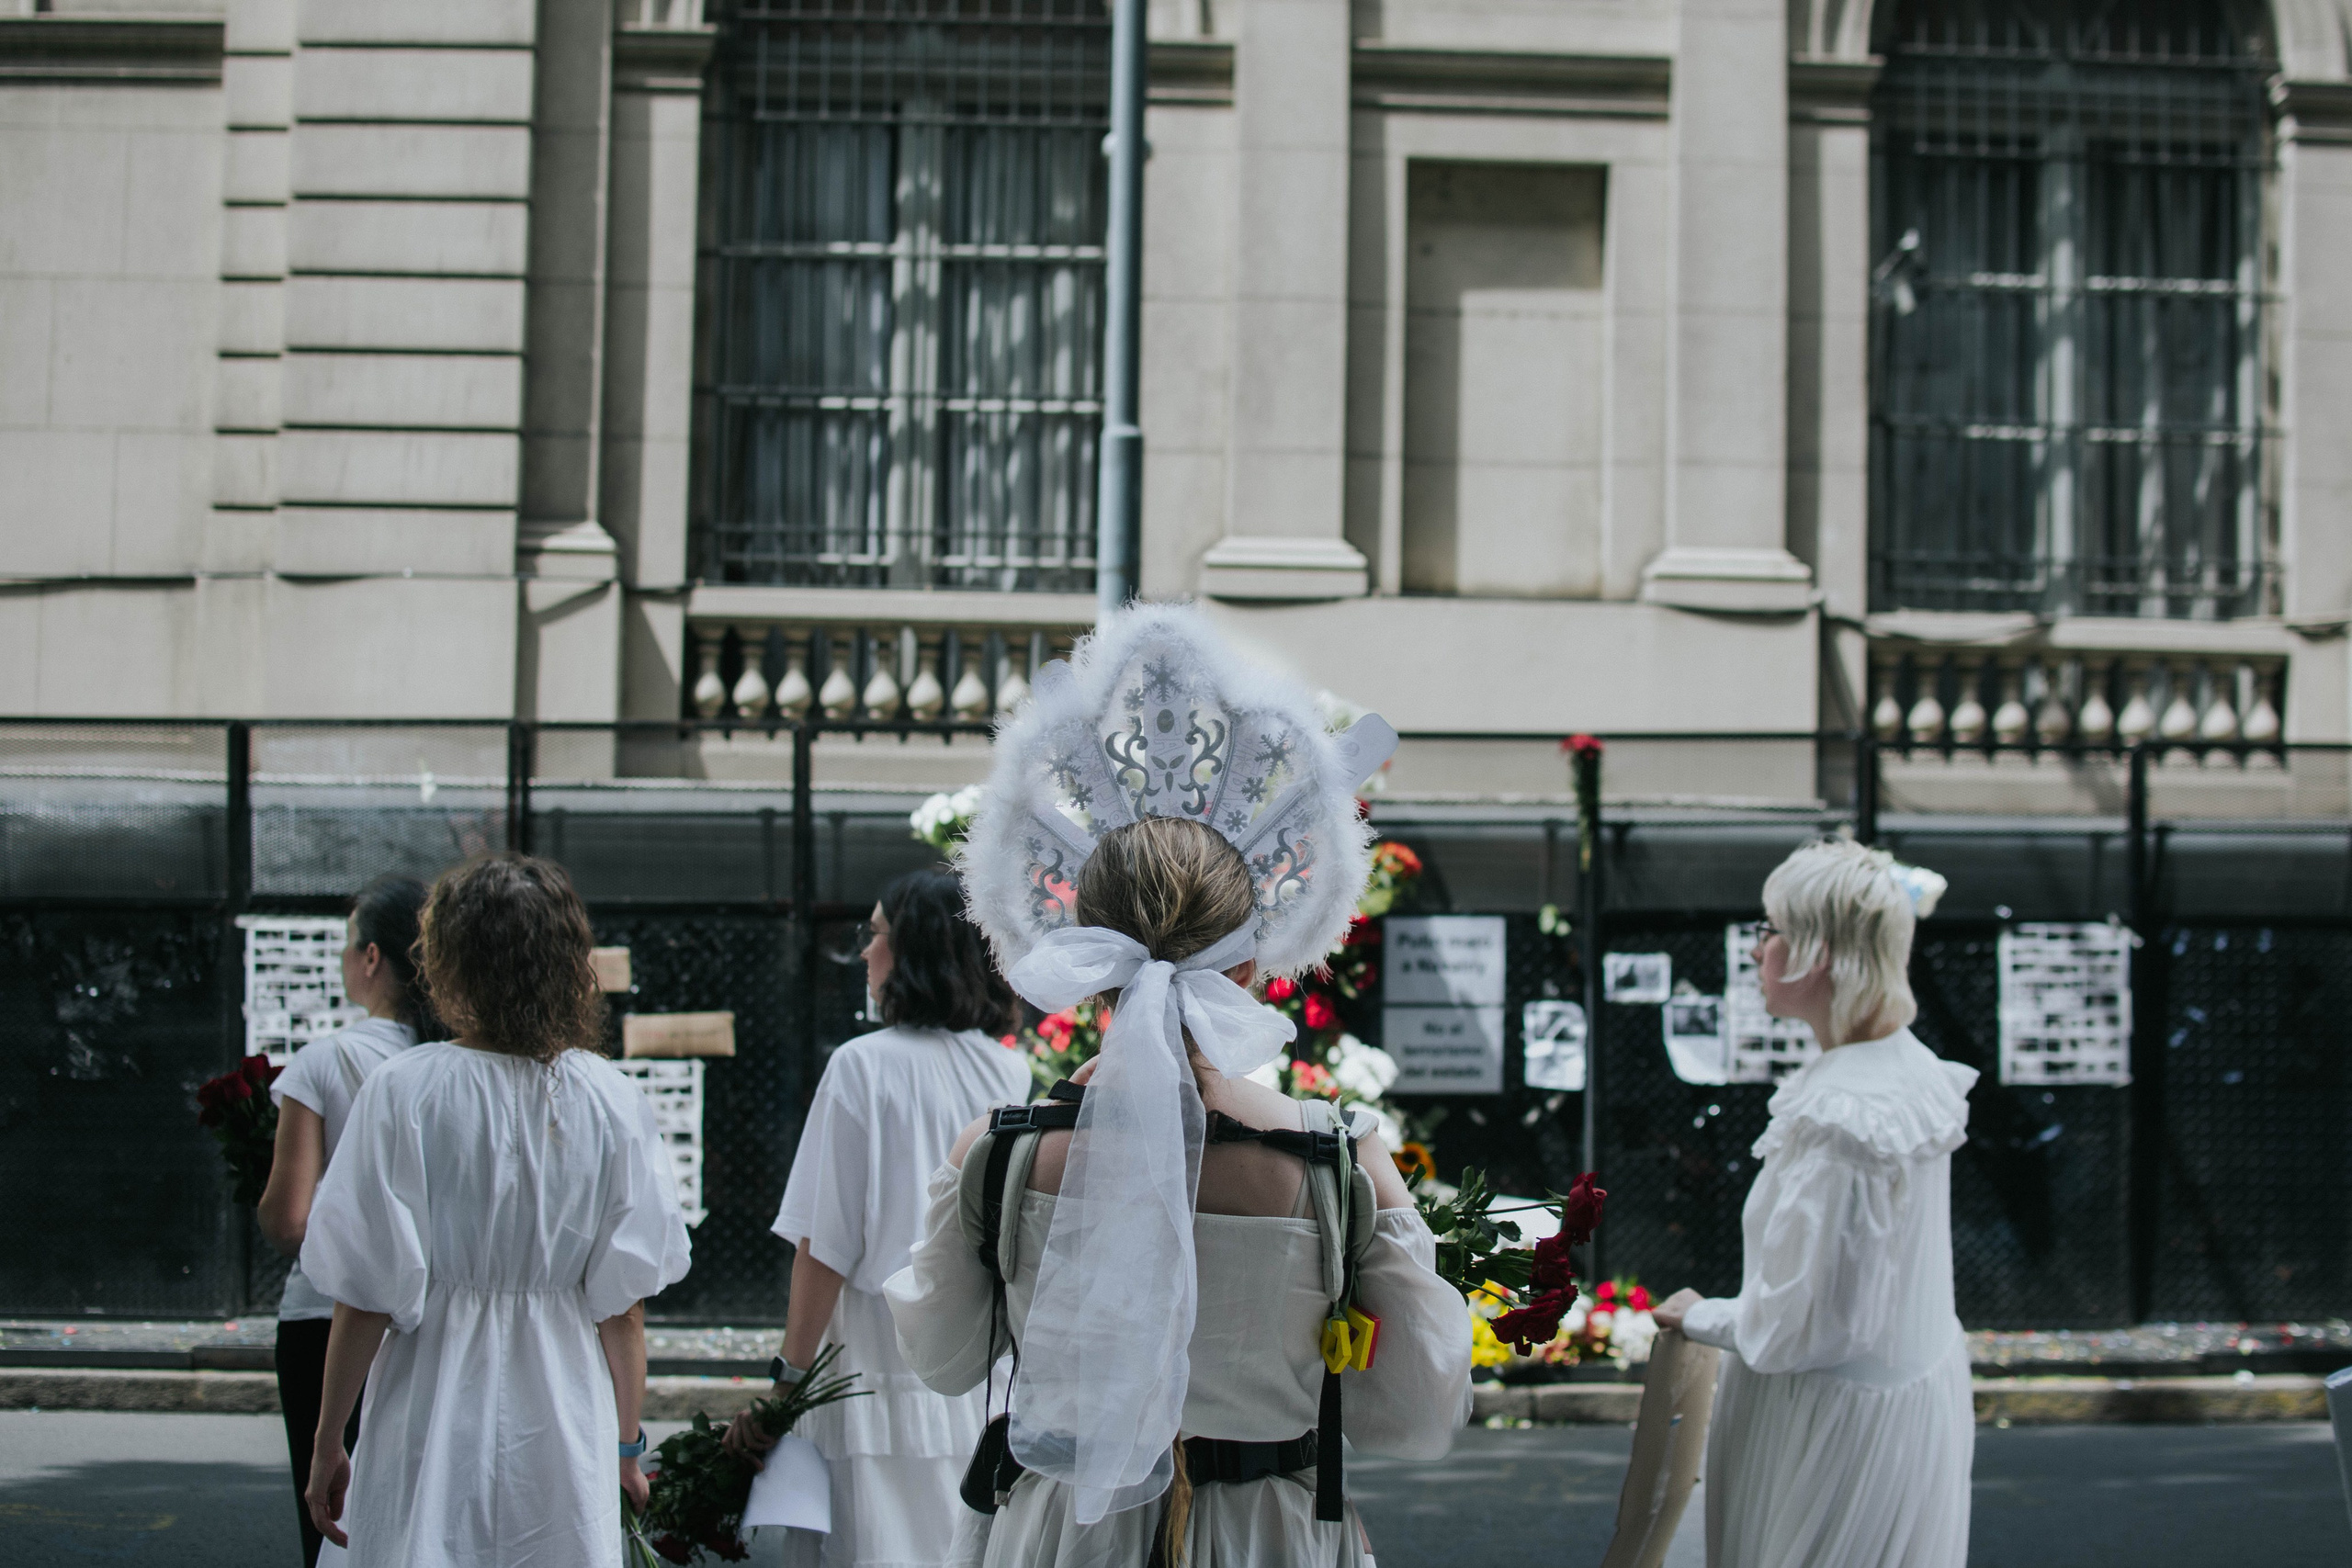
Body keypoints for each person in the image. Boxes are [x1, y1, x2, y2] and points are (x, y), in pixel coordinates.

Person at [888, 604, 1469, 1566]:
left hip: (1065, 1532)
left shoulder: (1001, 1150)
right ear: (1251, 963)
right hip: (1266, 1536)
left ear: (1084, 953)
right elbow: (1411, 1403)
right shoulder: (1340, 1153)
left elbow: (943, 1359)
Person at [296, 852, 692, 1567]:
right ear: (569, 960)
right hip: (563, 1408)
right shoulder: (613, 1100)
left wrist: (329, 1442)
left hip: (431, 1397)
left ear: (446, 955)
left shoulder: (403, 1090)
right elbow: (623, 1308)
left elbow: (366, 1294)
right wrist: (627, 1446)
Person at [1652, 838, 1974, 1568]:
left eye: (1771, 931)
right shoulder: (1908, 1070)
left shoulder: (1840, 1114)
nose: (1757, 949)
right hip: (1903, 1409)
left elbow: (1808, 1324)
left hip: (1832, 1435)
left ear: (1817, 953)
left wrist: (1703, 1315)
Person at [720, 866, 1032, 1568]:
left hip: (868, 1365)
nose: (865, 951)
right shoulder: (1007, 1074)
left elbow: (823, 1246)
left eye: (878, 933)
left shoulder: (861, 1067)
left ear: (913, 950)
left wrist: (785, 1387)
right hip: (968, 1364)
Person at [257, 875, 440, 1568]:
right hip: (427, 1315)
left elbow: (290, 1218)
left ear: (370, 959)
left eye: (345, 947)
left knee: (334, 1515)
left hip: (324, 1317)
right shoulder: (446, 1061)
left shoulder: (328, 1059)